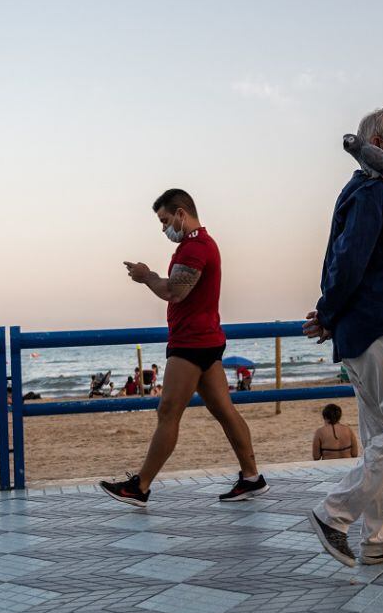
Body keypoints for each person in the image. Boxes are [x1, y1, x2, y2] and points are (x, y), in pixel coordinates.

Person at [302, 105, 383, 567]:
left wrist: (330, 314)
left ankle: (380, 541)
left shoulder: (362, 192)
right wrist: (331, 310)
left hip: (365, 331)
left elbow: (339, 259)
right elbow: (348, 262)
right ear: (375, 143)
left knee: (380, 436)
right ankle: (333, 515)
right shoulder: (372, 193)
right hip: (381, 331)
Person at [101, 188, 267, 506]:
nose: (164, 229)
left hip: (191, 343)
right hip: (205, 339)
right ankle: (251, 478)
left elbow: (174, 292)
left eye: (165, 221)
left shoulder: (195, 247)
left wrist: (146, 275)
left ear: (181, 214)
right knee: (223, 410)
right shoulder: (199, 245)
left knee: (168, 411)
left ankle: (141, 487)